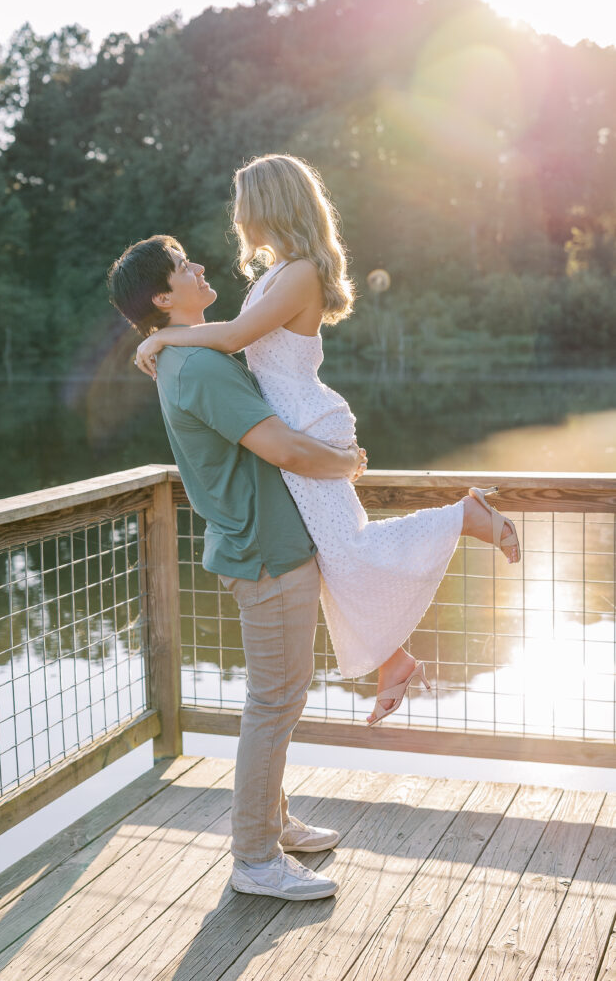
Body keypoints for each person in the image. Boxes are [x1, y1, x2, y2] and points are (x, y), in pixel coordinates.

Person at [133, 153, 522, 727]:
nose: (237, 216)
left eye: (243, 202)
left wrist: (164, 340)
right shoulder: (280, 270)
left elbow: (238, 337)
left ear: (269, 203)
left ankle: (464, 516)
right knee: (334, 554)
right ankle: (393, 660)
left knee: (349, 548)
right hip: (292, 418)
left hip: (304, 422)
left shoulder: (301, 273)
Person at [108, 233, 368, 901]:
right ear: (164, 297)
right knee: (273, 704)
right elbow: (280, 445)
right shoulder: (198, 368)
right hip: (262, 554)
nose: (200, 267)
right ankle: (254, 859)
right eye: (184, 267)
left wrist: (161, 338)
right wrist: (346, 462)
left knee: (278, 698)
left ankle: (272, 823)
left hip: (265, 547)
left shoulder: (193, 352)